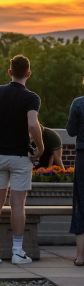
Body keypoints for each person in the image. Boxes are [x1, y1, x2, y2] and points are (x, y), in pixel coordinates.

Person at [0, 54, 43, 266]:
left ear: (10, 72)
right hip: (19, 156)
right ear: (28, 73)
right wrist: (40, 148)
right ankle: (17, 251)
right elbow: (33, 125)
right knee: (18, 204)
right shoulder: (31, 98)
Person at [66, 88, 84, 265]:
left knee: (80, 202)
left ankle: (80, 256)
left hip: (83, 156)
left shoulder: (78, 103)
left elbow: (70, 131)